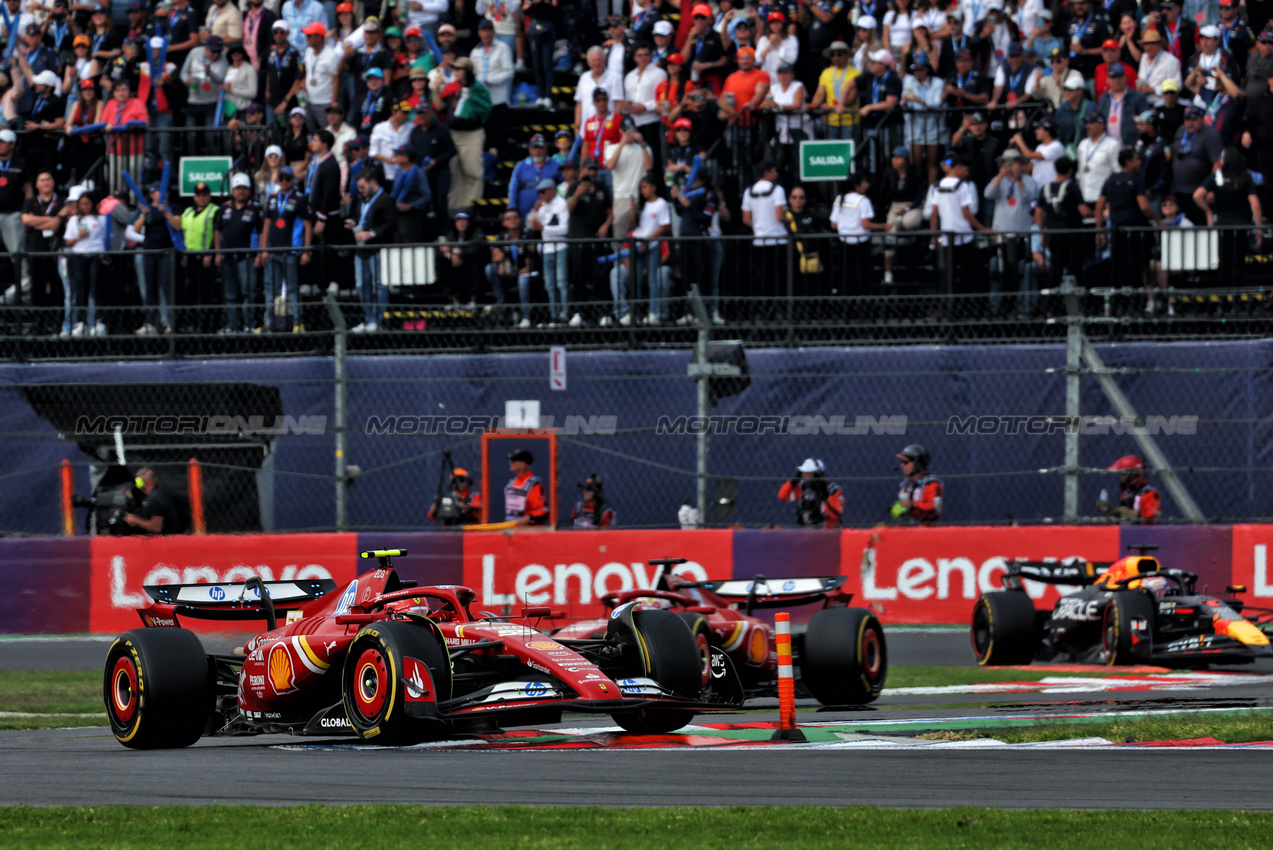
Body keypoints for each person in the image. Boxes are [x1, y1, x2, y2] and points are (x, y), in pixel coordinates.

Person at [258, 166, 312, 332]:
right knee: (270, 289)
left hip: (291, 250)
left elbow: (307, 226)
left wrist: (306, 250)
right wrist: (263, 249)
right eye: (281, 178)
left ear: (293, 180)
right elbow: (266, 224)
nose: (283, 182)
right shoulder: (272, 198)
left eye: (287, 179)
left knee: (292, 287)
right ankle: (268, 322)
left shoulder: (300, 199)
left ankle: (297, 322)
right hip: (273, 250)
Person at [436, 57, 491, 211]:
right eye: (454, 69)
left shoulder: (478, 88)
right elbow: (440, 106)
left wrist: (469, 99)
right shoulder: (451, 87)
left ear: (467, 71)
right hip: (452, 133)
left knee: (472, 171)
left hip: (471, 134)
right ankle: (455, 211)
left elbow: (486, 110)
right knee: (455, 174)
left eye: (459, 69)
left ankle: (472, 208)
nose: (456, 72)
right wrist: (436, 88)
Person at [347, 168, 397, 332]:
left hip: (377, 249)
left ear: (372, 183)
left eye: (362, 187)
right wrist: (354, 223)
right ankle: (368, 319)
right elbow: (361, 218)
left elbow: (390, 224)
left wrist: (372, 233)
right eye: (358, 188)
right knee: (362, 285)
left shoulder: (386, 199)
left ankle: (378, 320)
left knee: (379, 286)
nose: (360, 191)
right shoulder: (362, 200)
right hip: (361, 250)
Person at [215, 173, 265, 334]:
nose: (241, 191)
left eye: (244, 188)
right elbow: (217, 231)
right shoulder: (225, 208)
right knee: (230, 294)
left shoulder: (255, 208)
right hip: (228, 257)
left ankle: (249, 324)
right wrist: (218, 253)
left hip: (248, 257)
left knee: (248, 292)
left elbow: (262, 232)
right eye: (238, 188)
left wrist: (260, 253)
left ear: (249, 190)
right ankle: (232, 325)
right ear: (233, 190)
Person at [1035, 156, 1093, 287]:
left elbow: (1039, 213)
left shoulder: (1045, 187)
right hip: (1073, 233)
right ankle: (1079, 300)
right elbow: (1083, 210)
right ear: (1070, 170)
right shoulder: (1072, 187)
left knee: (1056, 267)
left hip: (1053, 233)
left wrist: (1042, 231)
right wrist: (1097, 214)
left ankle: (1053, 301)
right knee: (1076, 267)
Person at [830, 172, 888, 290]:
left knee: (846, 274)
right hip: (861, 244)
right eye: (864, 182)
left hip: (844, 243)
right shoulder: (863, 201)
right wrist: (883, 226)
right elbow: (865, 224)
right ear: (856, 185)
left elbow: (833, 224)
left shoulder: (839, 199)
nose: (867, 185)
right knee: (862, 275)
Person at [132, 183, 175, 336]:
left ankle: (168, 322)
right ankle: (151, 322)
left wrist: (166, 213)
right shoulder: (145, 209)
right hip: (149, 252)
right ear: (152, 194)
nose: (160, 194)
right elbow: (135, 229)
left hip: (166, 252)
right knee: (150, 288)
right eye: (157, 191)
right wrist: (143, 215)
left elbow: (178, 225)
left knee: (166, 288)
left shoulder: (172, 207)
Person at [527, 176, 571, 324]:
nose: (541, 195)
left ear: (552, 190)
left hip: (560, 246)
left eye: (543, 192)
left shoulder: (561, 204)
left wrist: (544, 228)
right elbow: (531, 225)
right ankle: (554, 313)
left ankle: (564, 313)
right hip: (547, 248)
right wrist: (534, 211)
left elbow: (565, 229)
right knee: (550, 284)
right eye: (539, 192)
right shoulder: (542, 206)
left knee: (561, 282)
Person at [0, 129, 32, 307]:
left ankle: (22, 290)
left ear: (12, 144)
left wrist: (26, 212)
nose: (0, 145)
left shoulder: (21, 163)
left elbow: (28, 191)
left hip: (13, 214)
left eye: (3, 142)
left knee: (17, 254)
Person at [809, 40, 859, 141]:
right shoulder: (826, 73)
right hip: (831, 121)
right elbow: (819, 95)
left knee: (850, 153)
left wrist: (831, 107)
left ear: (847, 55)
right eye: (832, 55)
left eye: (839, 54)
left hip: (849, 121)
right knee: (833, 153)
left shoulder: (856, 73)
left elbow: (852, 98)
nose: (835, 57)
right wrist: (812, 106)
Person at [777, 458, 844, 529]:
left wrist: (822, 509)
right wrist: (794, 481)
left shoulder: (832, 489)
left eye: (808, 473)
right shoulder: (803, 488)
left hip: (828, 531)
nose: (803, 475)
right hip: (808, 531)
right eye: (802, 473)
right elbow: (782, 495)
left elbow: (836, 515)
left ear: (817, 474)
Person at [508, 134, 561, 218]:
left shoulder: (555, 166)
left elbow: (564, 186)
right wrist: (512, 207)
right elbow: (513, 188)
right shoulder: (521, 166)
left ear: (546, 148)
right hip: (524, 212)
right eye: (534, 148)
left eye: (540, 148)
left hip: (550, 212)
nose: (537, 151)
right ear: (529, 149)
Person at [1097, 455, 1161, 523]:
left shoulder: (1150, 493)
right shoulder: (1126, 494)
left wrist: (1130, 513)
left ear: (1134, 473)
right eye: (1120, 474)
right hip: (1127, 532)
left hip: (1144, 532)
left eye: (1124, 473)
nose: (1121, 478)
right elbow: (1121, 521)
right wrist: (1110, 511)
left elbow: (1151, 521)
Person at [121, 468, 186, 534]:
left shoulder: (154, 499)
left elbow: (156, 527)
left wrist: (135, 521)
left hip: (164, 539)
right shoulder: (160, 493)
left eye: (137, 479)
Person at [1075, 112, 1121, 205]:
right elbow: (1080, 172)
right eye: (1087, 123)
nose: (1087, 126)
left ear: (1101, 125)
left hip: (1102, 197)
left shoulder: (1112, 144)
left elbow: (1117, 172)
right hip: (1084, 196)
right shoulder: (1083, 144)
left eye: (1091, 123)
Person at [891, 443, 942, 524]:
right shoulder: (905, 484)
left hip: (925, 532)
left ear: (918, 464)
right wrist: (896, 511)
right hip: (905, 530)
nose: (902, 465)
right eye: (902, 462)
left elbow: (935, 510)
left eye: (905, 462)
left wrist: (912, 506)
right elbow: (897, 508)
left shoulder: (931, 484)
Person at [504, 448, 548, 525]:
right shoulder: (511, 484)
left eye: (514, 460)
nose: (510, 462)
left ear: (523, 464)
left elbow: (543, 511)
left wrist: (528, 518)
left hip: (528, 531)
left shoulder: (534, 486)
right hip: (510, 529)